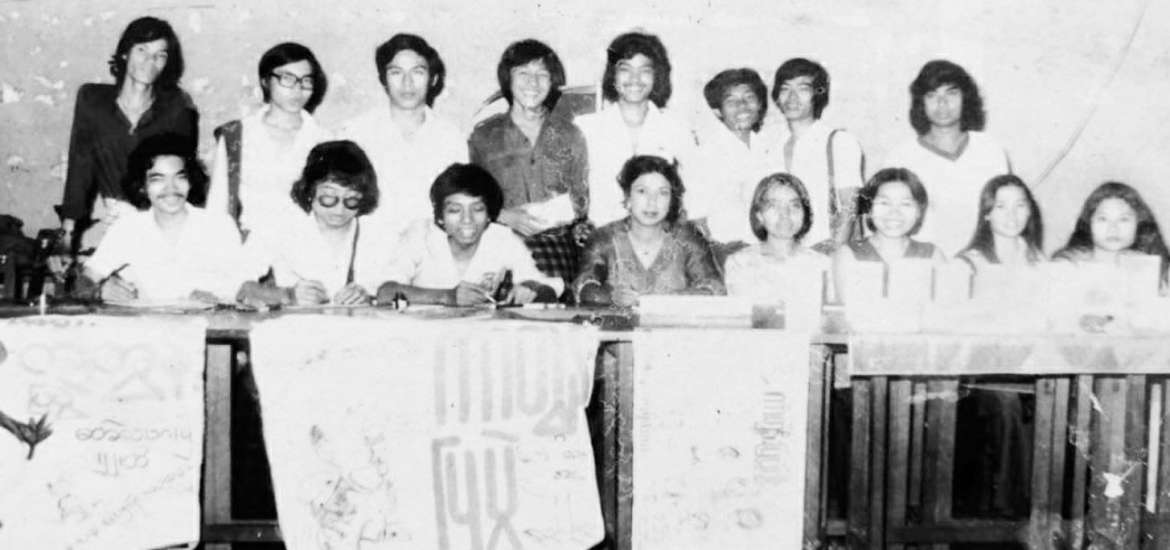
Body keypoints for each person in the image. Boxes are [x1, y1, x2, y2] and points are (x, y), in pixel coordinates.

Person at [60, 16, 199, 252]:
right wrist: (66, 235)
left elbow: (181, 177)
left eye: (160, 55)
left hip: (159, 220)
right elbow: (80, 168)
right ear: (125, 53)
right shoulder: (93, 100)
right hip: (108, 218)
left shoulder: (177, 108)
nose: (150, 61)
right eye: (142, 50)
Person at [468, 39, 588, 284]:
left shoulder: (571, 135)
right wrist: (503, 215)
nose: (533, 83)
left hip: (556, 250)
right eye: (523, 73)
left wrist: (560, 214)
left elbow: (583, 197)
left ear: (552, 82)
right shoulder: (483, 136)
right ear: (508, 79)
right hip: (501, 246)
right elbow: (467, 197)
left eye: (542, 75)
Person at [84, 133, 244, 304]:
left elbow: (244, 285)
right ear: (142, 186)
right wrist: (98, 290)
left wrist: (218, 296)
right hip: (148, 320)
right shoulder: (128, 229)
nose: (171, 188)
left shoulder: (218, 226)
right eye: (158, 179)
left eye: (180, 177)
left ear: (190, 181)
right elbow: (84, 281)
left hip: (209, 319)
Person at [376, 164, 561, 307]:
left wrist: (530, 289)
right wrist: (447, 296)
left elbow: (548, 290)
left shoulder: (501, 238)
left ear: (489, 215)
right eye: (455, 210)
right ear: (440, 217)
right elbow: (385, 292)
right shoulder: (420, 234)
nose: (467, 219)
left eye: (477, 209)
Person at [341, 33, 465, 239]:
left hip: (431, 248)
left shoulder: (451, 137)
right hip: (371, 247)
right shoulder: (356, 133)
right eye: (396, 72)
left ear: (433, 79)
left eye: (418, 72)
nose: (407, 83)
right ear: (383, 80)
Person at [238, 141, 389, 307]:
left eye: (351, 199)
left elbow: (392, 289)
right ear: (310, 191)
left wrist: (369, 297)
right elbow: (238, 285)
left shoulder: (376, 233)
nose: (340, 209)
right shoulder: (280, 226)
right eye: (329, 198)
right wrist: (287, 295)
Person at [884, 59, 1011, 256]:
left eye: (951, 93)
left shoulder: (990, 150)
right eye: (932, 95)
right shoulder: (901, 157)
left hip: (982, 260)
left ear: (965, 98)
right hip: (923, 262)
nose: (942, 103)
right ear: (921, 103)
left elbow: (1004, 213)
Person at [207, 42, 332, 238]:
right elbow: (217, 205)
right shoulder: (236, 135)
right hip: (249, 246)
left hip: (305, 245)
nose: (297, 89)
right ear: (265, 81)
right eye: (287, 79)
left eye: (306, 81)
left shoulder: (324, 140)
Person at [576, 31, 695, 227]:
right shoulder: (585, 128)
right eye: (625, 69)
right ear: (613, 76)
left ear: (656, 76)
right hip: (602, 235)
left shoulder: (677, 129)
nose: (635, 79)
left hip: (659, 235)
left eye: (644, 70)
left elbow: (695, 191)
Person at [575, 155, 725, 306]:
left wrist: (646, 301)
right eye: (642, 191)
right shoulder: (604, 239)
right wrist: (613, 297)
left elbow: (714, 289)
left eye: (662, 193)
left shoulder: (687, 239)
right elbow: (584, 287)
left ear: (671, 200)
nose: (652, 202)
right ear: (628, 197)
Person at [769, 58, 865, 252]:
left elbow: (850, 208)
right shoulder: (773, 146)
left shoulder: (839, 142)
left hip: (827, 252)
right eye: (785, 88)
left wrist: (832, 253)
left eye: (803, 89)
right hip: (784, 254)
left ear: (817, 94)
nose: (792, 97)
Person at [691, 68, 782, 259]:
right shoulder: (705, 154)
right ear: (718, 111)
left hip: (770, 251)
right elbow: (696, 218)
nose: (742, 106)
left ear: (760, 104)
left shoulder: (770, 148)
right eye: (731, 101)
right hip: (726, 253)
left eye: (749, 98)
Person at [833, 167, 946, 302]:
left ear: (918, 211)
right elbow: (845, 310)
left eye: (905, 204)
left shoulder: (932, 255)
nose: (894, 212)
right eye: (884, 203)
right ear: (869, 208)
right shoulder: (848, 255)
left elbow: (945, 309)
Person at [724, 173, 830, 301]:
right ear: (759, 215)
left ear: (804, 213)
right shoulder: (740, 263)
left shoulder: (822, 265)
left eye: (794, 205)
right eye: (774, 206)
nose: (785, 214)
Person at [1052, 181, 1170, 283]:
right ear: (1089, 223)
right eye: (1103, 219)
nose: (1113, 228)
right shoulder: (1067, 267)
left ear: (1139, 224)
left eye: (1123, 219)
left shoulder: (1155, 271)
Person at [958, 174, 1046, 270]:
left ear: (1029, 210)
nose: (1012, 215)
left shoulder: (1038, 259)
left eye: (1020, 205)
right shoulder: (968, 265)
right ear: (987, 214)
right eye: (1001, 207)